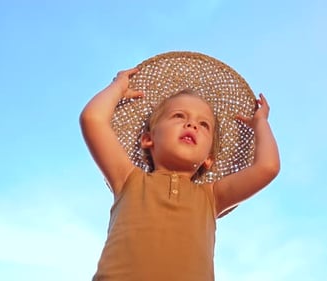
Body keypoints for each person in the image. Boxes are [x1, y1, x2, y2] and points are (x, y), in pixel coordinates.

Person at [80, 52, 280, 281]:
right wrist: (117, 88)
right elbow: (93, 119)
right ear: (148, 139)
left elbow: (268, 167)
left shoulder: (212, 197)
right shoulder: (128, 179)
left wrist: (261, 123)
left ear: (208, 159)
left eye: (203, 124)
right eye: (178, 116)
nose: (192, 124)